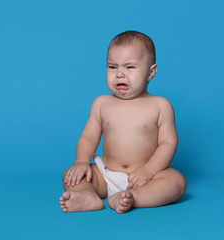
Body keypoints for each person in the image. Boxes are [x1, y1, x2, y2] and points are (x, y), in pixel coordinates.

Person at [59, 31, 186, 214]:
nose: (119, 74)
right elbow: (88, 136)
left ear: (151, 72)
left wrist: (149, 170)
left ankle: (134, 198)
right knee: (71, 176)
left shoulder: (160, 106)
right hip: (106, 173)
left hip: (144, 178)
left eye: (129, 67)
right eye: (112, 67)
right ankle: (87, 196)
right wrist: (81, 162)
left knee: (176, 182)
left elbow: (168, 143)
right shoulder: (102, 103)